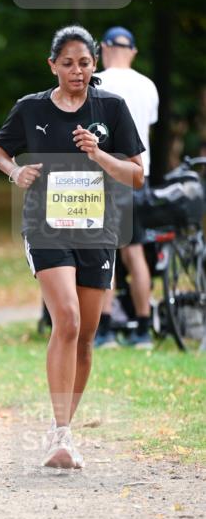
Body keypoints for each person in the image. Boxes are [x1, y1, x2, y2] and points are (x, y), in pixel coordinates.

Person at [0, 25, 144, 471]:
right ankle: (59, 434)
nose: (77, 70)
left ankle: (67, 432)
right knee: (69, 320)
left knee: (87, 335)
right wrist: (14, 172)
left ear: (94, 64)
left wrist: (100, 155)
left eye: (85, 62)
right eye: (68, 62)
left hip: (96, 230)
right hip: (46, 227)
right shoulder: (30, 108)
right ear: (52, 64)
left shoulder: (111, 108)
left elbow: (136, 174)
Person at [95, 26, 159, 349]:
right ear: (132, 51)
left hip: (106, 177)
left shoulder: (98, 82)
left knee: (106, 252)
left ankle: (104, 330)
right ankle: (143, 328)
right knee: (135, 254)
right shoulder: (147, 86)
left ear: (104, 48)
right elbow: (145, 133)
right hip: (137, 176)